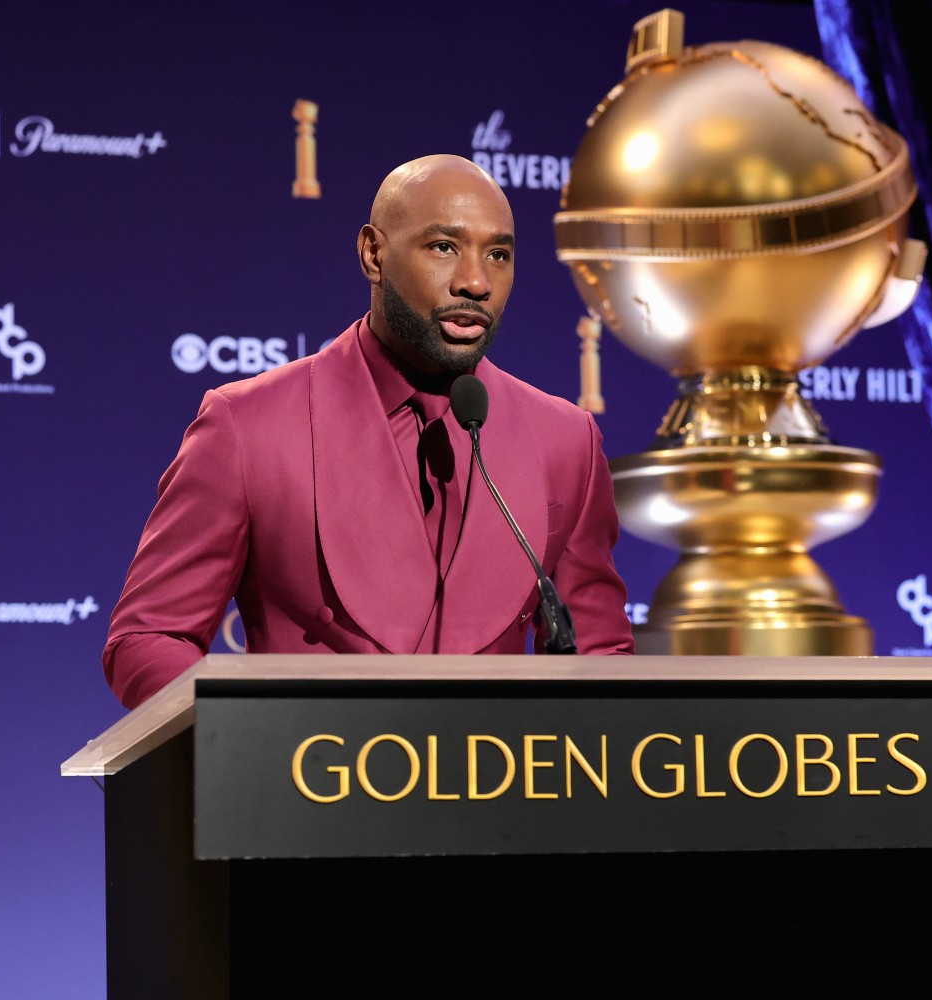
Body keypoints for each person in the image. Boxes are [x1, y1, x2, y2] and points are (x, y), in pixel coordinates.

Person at [102, 153, 634, 709]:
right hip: (306, 781)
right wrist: (247, 745)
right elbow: (148, 638)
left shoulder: (565, 440)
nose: (475, 282)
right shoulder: (249, 427)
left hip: (493, 785)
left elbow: (599, 657)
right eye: (443, 247)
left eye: (498, 254)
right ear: (373, 254)